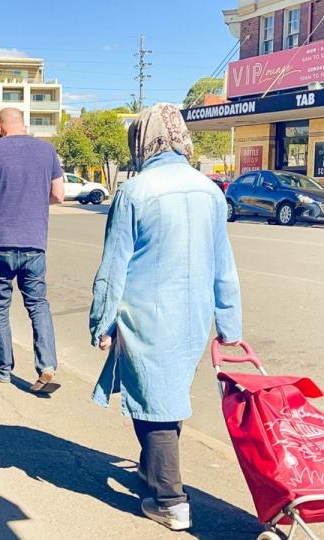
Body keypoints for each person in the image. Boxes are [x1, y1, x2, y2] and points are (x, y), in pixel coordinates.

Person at [89, 104, 243, 532]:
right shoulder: (210, 191)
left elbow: (114, 267)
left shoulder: (134, 192)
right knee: (166, 394)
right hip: (192, 316)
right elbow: (223, 265)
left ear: (142, 140)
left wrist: (101, 322)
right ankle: (150, 470)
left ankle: (169, 499)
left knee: (153, 403)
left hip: (145, 314)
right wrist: (229, 324)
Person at [0, 107, 64, 394]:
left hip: (0, 241)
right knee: (38, 304)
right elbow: (59, 194)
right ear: (24, 124)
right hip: (35, 242)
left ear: (0, 127)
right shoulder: (47, 152)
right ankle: (46, 366)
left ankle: (3, 370)